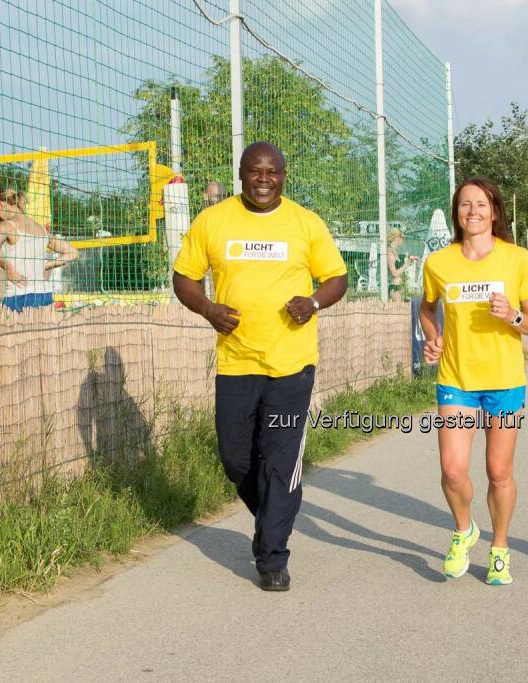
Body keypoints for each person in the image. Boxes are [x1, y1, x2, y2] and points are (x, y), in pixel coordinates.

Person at [173, 141, 348, 592]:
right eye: (255, 171)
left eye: (273, 172)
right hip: (236, 361)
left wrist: (311, 302)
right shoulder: (213, 221)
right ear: (241, 174)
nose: (264, 179)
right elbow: (184, 277)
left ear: (284, 176)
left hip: (292, 364)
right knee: (234, 459)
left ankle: (272, 558)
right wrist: (209, 310)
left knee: (279, 459)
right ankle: (277, 511)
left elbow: (336, 278)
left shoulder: (305, 223)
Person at [419, 177, 528, 585]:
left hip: (505, 380)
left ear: (494, 212)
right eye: (465, 204)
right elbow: (427, 310)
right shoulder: (438, 262)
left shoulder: (517, 259)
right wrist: (433, 339)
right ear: (457, 212)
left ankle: (500, 548)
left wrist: (513, 316)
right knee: (453, 470)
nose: (473, 211)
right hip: (456, 378)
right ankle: (463, 530)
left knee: (498, 472)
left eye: (481, 204)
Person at [0, 187, 78, 312]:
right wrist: (48, 265)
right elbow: (72, 252)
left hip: (18, 295)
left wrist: (8, 267)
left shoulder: (7, 226)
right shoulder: (41, 229)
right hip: (44, 294)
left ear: (1, 204)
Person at [386, 227, 418, 302]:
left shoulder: (395, 251)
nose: (403, 240)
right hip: (393, 288)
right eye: (402, 237)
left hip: (399, 287)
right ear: (397, 238)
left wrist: (410, 258)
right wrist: (406, 265)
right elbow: (394, 273)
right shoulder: (390, 253)